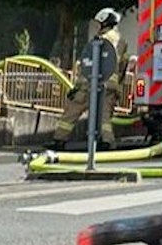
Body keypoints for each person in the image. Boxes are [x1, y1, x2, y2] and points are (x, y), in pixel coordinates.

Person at [53, 8, 128, 148]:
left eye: (99, 23)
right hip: (110, 86)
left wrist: (78, 86)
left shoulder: (101, 40)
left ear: (104, 23)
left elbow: (89, 64)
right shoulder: (121, 41)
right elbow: (123, 66)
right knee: (104, 115)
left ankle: (59, 139)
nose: (97, 26)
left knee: (73, 108)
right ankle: (107, 141)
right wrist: (118, 86)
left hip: (92, 83)